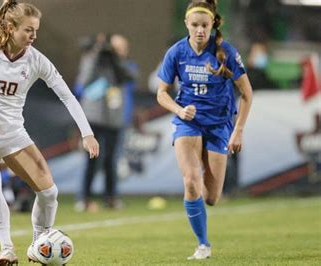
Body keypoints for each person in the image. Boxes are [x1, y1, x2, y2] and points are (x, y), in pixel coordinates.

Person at [0, 1, 99, 265]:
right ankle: (6, 249)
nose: (33, 36)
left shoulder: (37, 60)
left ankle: (38, 244)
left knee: (49, 193)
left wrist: (87, 133)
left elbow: (67, 97)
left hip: (13, 132)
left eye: (36, 30)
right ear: (11, 27)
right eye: (28, 30)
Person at [156, 0, 253, 260]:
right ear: (186, 24)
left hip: (220, 124)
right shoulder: (176, 52)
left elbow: (246, 92)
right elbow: (161, 93)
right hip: (188, 122)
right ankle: (203, 245)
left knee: (211, 197)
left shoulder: (226, 52)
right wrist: (178, 110)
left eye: (205, 25)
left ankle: (202, 191)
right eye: (195, 25)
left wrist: (239, 130)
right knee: (190, 181)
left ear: (212, 25)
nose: (200, 30)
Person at [74, 33, 136, 212]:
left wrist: (116, 60)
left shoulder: (125, 65)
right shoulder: (93, 61)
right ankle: (84, 198)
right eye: (114, 48)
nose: (115, 52)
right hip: (92, 118)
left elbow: (129, 77)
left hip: (115, 120)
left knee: (111, 161)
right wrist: (96, 54)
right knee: (91, 160)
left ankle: (111, 198)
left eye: (120, 49)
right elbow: (83, 81)